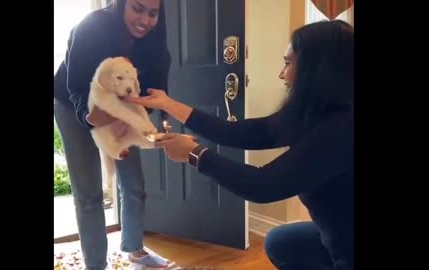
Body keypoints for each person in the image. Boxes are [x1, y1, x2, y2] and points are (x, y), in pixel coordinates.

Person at [125, 20, 354, 270]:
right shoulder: (314, 114)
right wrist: (168, 104)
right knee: (280, 242)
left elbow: (263, 185)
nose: (281, 73)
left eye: (288, 63)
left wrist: (195, 154)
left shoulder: (341, 130)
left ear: (316, 70)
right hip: (336, 233)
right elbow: (241, 133)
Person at [53, 0, 171, 269]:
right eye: (137, 9)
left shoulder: (156, 46)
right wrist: (92, 118)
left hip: (121, 104)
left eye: (153, 13)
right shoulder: (91, 29)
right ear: (121, 5)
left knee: (134, 183)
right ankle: (96, 264)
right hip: (73, 105)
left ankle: (134, 248)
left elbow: (155, 92)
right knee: (89, 192)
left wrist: (155, 121)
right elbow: (76, 87)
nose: (145, 19)